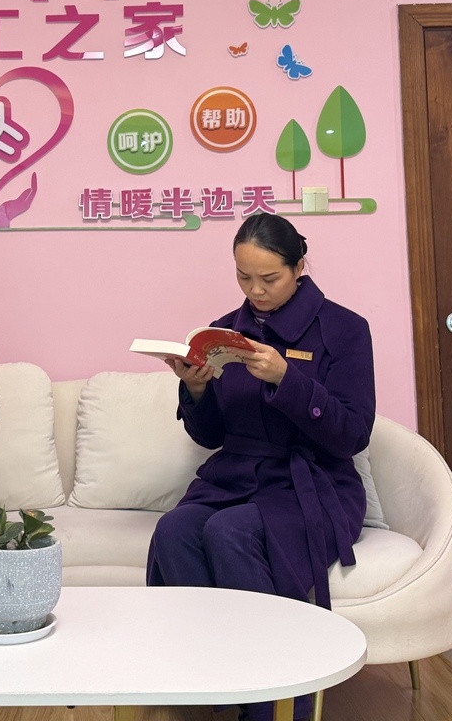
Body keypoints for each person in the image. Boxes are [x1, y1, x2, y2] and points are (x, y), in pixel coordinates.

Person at [146, 212, 375, 721]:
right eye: (243, 277)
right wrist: (196, 389)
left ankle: (274, 705)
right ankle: (218, 681)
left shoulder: (345, 329)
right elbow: (211, 437)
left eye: (269, 278)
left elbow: (353, 435)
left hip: (313, 482)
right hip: (237, 475)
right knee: (174, 530)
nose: (256, 291)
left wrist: (287, 379)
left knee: (229, 531)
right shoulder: (225, 332)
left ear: (298, 267)